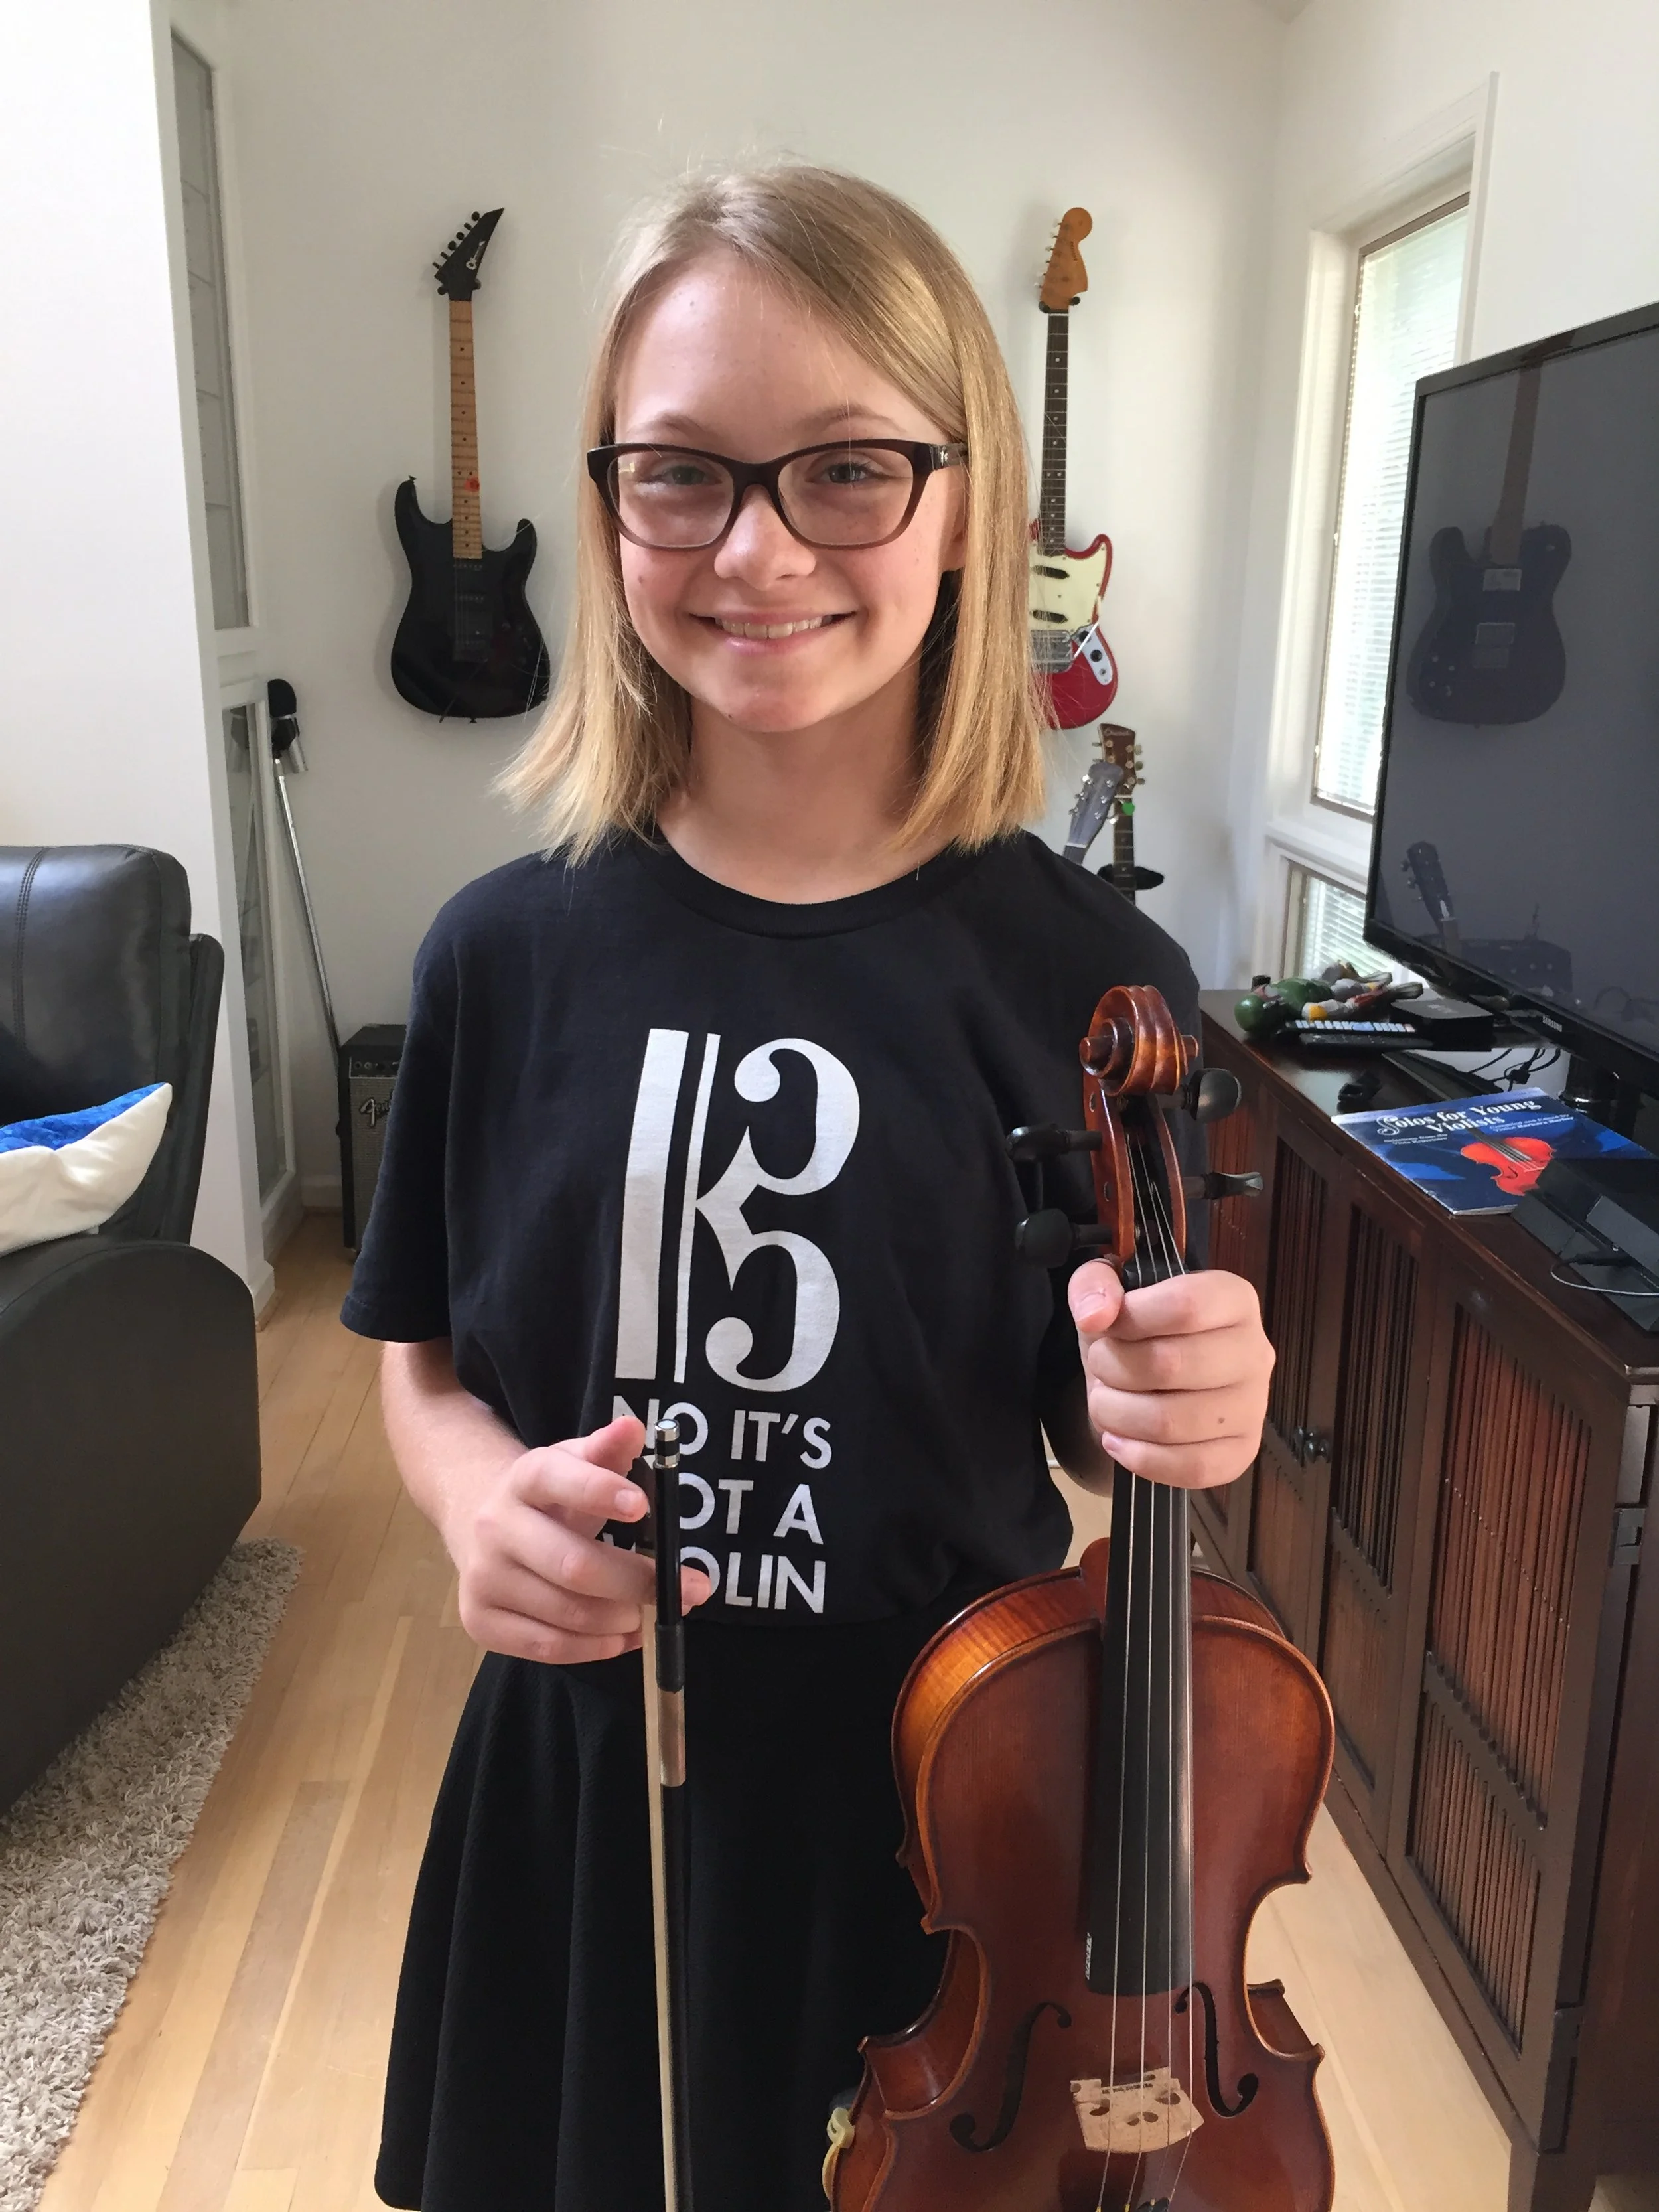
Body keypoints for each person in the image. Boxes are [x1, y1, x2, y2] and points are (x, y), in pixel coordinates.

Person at [342, 164, 1275, 2212]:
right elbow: (420, 1365)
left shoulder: (1088, 979)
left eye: (846, 468)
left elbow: (1092, 1423)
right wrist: (472, 1497)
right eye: (680, 473)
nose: (755, 548)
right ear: (607, 504)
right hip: (588, 1799)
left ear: (964, 504)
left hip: (938, 1825)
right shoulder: (498, 954)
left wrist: (1191, 1397)